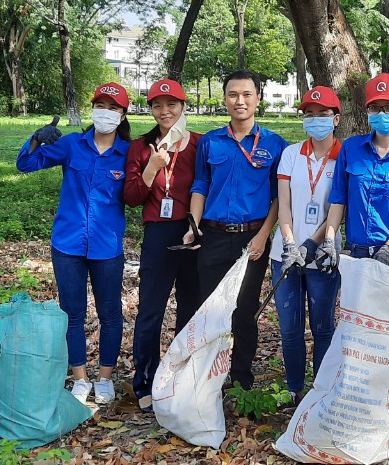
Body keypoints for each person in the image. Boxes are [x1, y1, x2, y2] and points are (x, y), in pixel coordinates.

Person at [16, 82, 132, 406]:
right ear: (92, 109)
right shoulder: (71, 145)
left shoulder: (128, 154)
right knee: (73, 314)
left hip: (107, 247)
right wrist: (37, 138)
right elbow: (25, 164)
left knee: (110, 313)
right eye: (101, 105)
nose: (105, 113)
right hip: (67, 245)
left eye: (113, 108)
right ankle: (80, 378)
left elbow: (141, 193)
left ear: (122, 115)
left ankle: (105, 377)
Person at [186, 70, 287, 390]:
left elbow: (278, 197)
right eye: (232, 94)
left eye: (246, 94)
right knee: (210, 309)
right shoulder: (210, 142)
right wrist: (193, 227)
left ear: (258, 98)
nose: (239, 101)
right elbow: (201, 184)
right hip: (212, 236)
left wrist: (263, 236)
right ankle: (205, 379)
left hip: (251, 238)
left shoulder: (275, 144)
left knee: (244, 311)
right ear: (225, 98)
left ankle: (241, 379)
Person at [123, 79, 200, 413]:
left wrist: (197, 229)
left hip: (191, 234)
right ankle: (145, 379)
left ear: (183, 107)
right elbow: (131, 198)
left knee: (190, 309)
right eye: (157, 105)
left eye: (172, 104)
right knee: (151, 309)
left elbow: (205, 188)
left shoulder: (198, 144)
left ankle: (181, 379)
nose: (165, 111)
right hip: (157, 233)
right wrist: (152, 169)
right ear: (151, 109)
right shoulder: (140, 147)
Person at [269, 86, 343, 401]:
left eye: (323, 115)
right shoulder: (290, 154)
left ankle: (321, 391)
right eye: (309, 115)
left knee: (323, 327)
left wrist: (310, 245)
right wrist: (289, 242)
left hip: (323, 254)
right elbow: (283, 204)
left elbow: (339, 207)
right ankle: (295, 390)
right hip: (285, 254)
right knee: (290, 328)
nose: (316, 121)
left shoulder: (345, 157)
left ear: (336, 118)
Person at [324, 73, 389, 280]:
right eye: (375, 108)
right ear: (368, 112)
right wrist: (329, 239)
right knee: (356, 312)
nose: (382, 113)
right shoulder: (351, 149)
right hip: (357, 252)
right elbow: (338, 198)